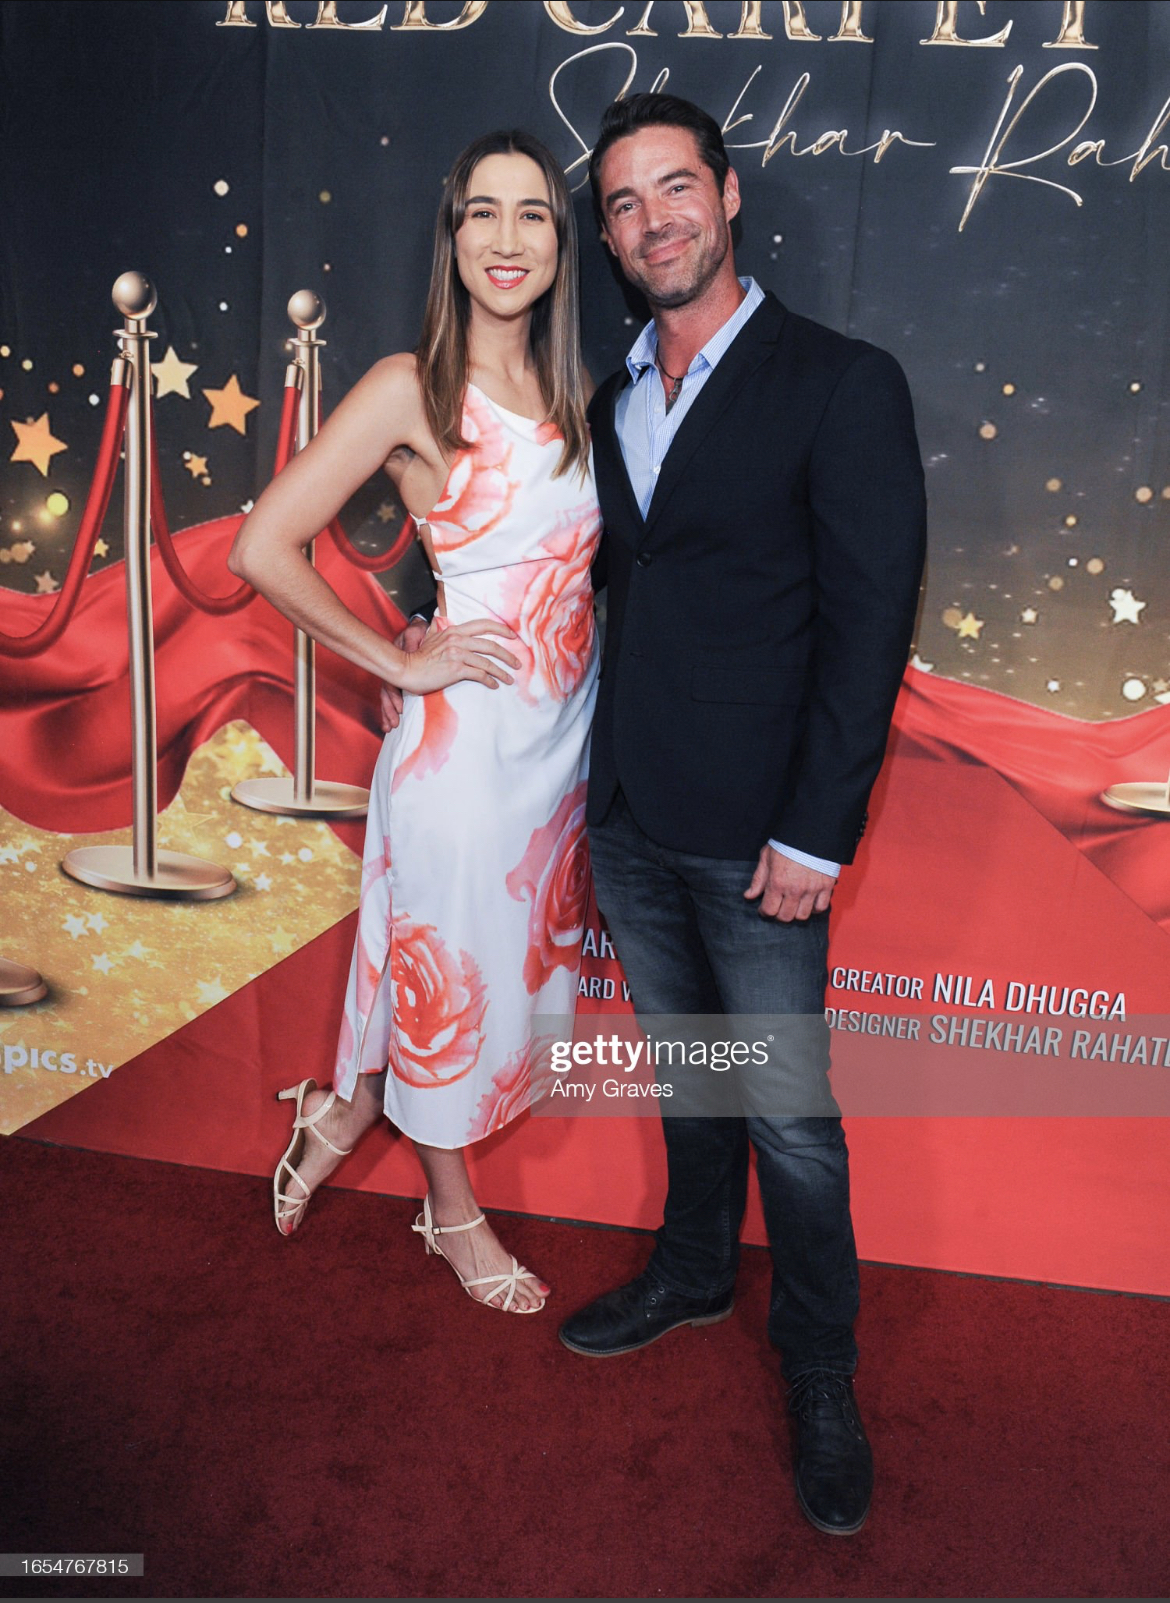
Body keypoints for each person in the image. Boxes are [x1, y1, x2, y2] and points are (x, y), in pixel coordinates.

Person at [556, 94, 927, 1534]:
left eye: (674, 188)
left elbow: (868, 622)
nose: (653, 220)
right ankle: (696, 1268)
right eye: (624, 203)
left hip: (765, 831)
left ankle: (821, 1364)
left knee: (790, 1119)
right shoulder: (612, 398)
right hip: (631, 812)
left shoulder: (841, 381)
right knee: (692, 1076)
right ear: (608, 237)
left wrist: (818, 828)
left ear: (727, 194)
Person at [228, 129, 600, 1315]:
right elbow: (262, 545)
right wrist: (396, 658)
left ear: (561, 243)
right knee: (449, 988)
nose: (507, 238)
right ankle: (452, 1214)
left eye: (532, 213)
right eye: (482, 211)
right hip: (464, 754)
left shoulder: (585, 396)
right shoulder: (411, 388)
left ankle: (339, 1110)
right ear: (453, 236)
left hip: (559, 754)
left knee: (499, 983)